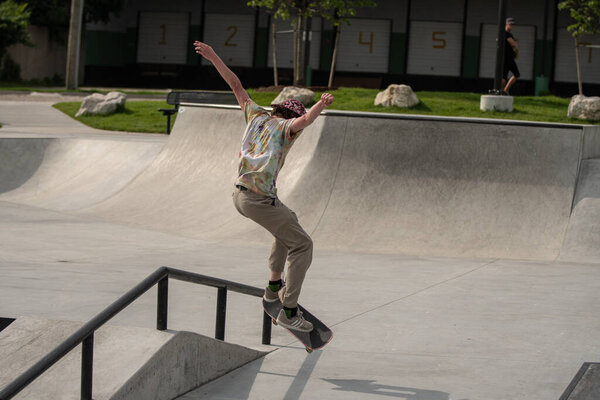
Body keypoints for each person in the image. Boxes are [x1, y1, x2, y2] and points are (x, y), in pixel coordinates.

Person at [193, 40, 334, 332]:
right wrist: (322, 103)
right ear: (290, 118)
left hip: (242, 196)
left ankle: (273, 286)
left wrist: (212, 54)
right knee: (303, 245)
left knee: (288, 222)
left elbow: (235, 83)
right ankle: (289, 311)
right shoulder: (287, 129)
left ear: (276, 109)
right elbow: (306, 120)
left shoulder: (256, 114)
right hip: (257, 200)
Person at [502, 17, 520, 95]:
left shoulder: (509, 34)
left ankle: (505, 90)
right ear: (506, 24)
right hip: (505, 58)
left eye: (512, 25)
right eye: (510, 24)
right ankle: (502, 91)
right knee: (503, 76)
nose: (511, 26)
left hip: (510, 58)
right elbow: (513, 43)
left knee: (516, 74)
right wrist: (515, 45)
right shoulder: (505, 33)